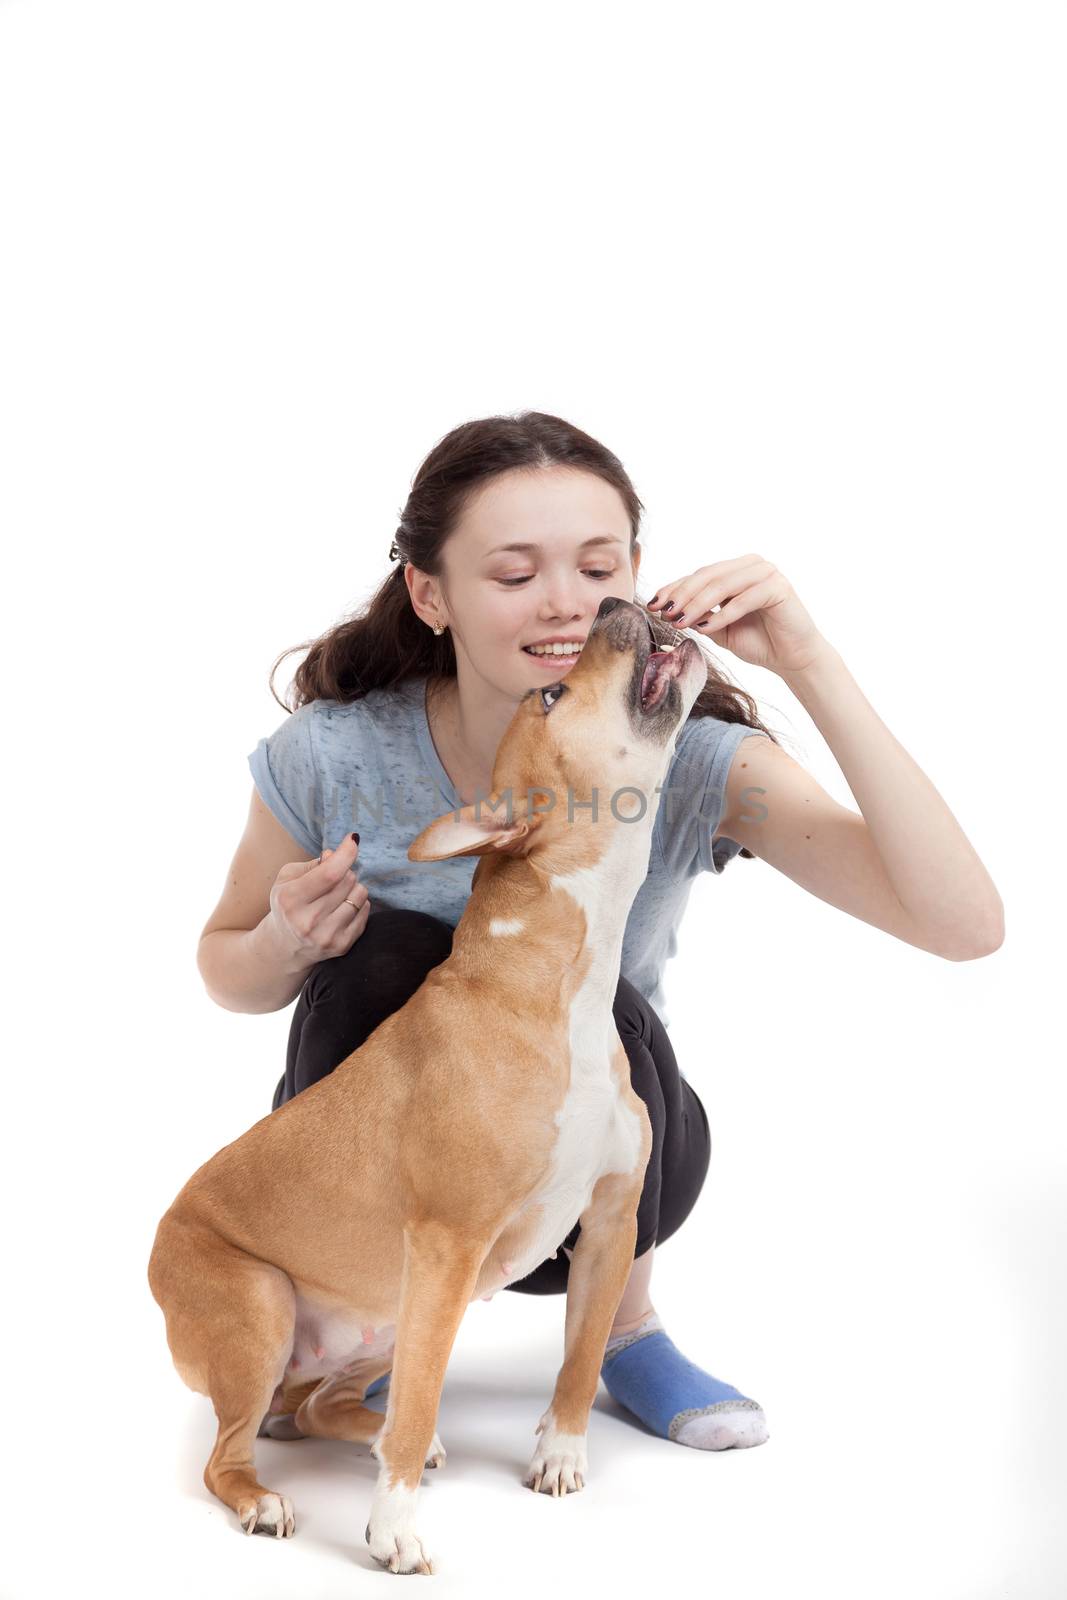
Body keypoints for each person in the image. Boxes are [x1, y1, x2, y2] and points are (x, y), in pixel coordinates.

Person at [197, 410, 1004, 1454]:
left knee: (599, 998)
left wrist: (807, 657)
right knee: (387, 957)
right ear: (428, 593)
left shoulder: (685, 757)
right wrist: (285, 943)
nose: (566, 603)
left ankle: (623, 1329)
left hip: (601, 1175)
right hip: (398, 1190)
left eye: (596, 563)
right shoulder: (334, 754)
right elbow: (228, 970)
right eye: (514, 572)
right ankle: (368, 1334)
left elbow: (963, 925)